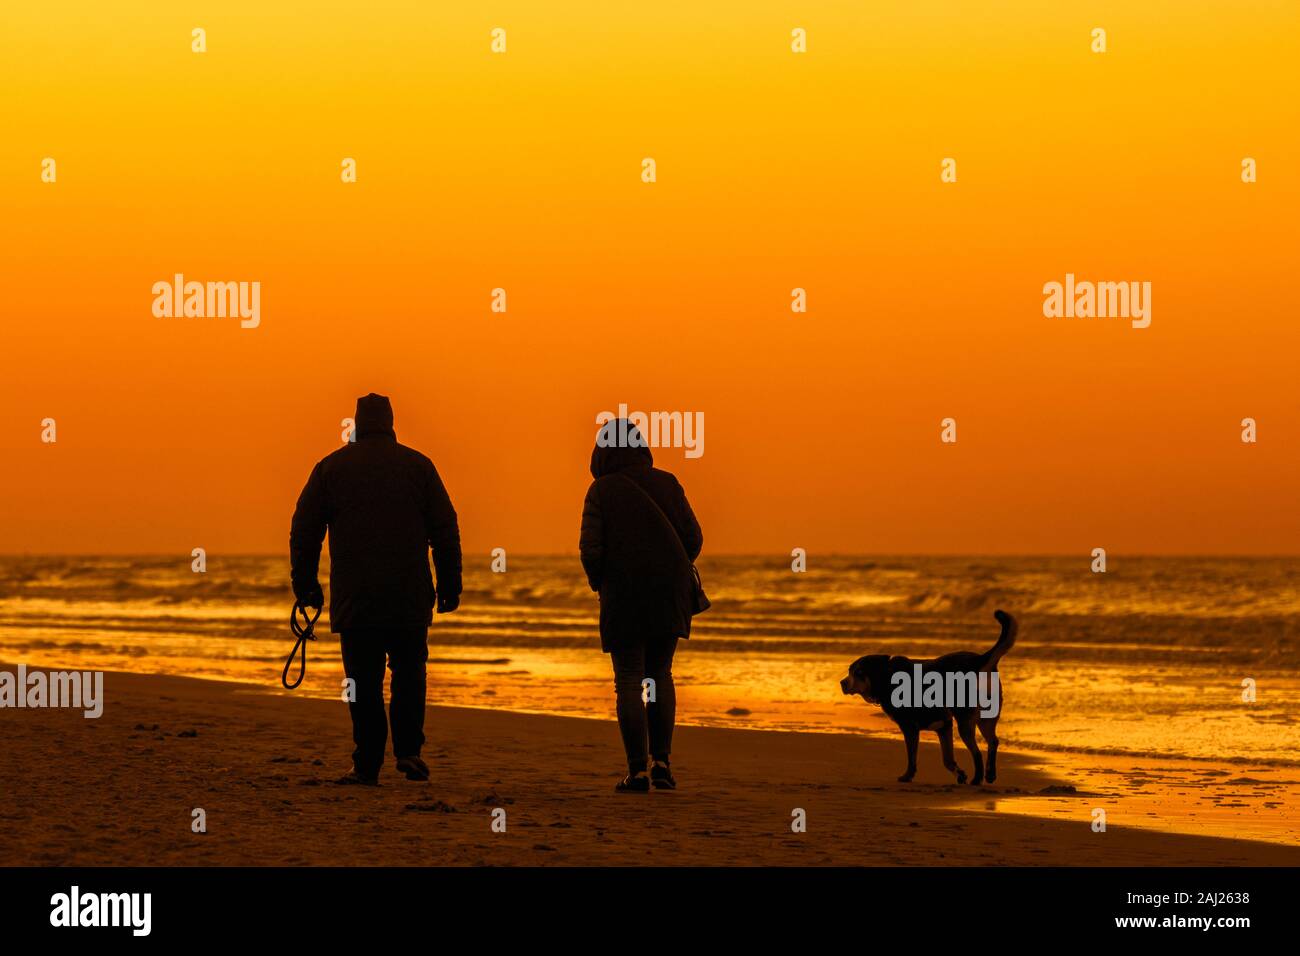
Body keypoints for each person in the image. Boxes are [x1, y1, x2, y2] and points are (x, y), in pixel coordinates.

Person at [289, 393, 461, 785]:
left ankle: (366, 763)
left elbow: (304, 532)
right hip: (409, 595)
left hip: (356, 598)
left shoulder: (331, 469)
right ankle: (409, 751)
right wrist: (451, 583)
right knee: (409, 672)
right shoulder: (418, 467)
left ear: (357, 423)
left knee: (361, 681)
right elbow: (445, 530)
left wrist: (306, 585)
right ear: (391, 422)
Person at [579, 418, 703, 792]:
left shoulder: (601, 491)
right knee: (659, 674)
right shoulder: (667, 482)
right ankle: (662, 761)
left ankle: (637, 772)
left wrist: (600, 580)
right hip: (670, 593)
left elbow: (590, 550)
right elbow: (694, 539)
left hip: (624, 596)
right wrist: (669, 564)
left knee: (629, 679)